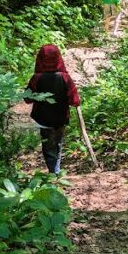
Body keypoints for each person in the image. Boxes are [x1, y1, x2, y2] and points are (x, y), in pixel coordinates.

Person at [24, 44, 81, 174]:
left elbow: (27, 99)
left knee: (48, 147)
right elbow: (75, 100)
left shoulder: (36, 78)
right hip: (61, 118)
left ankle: (53, 173)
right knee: (58, 144)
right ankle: (56, 171)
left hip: (43, 119)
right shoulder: (65, 78)